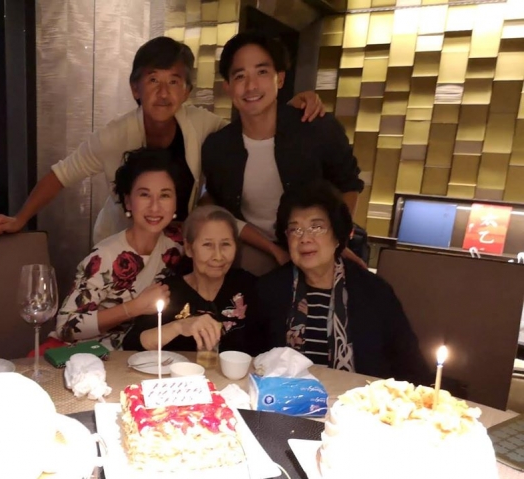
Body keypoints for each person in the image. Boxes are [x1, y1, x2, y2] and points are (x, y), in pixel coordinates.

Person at [0, 36, 325, 253]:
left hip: (178, 245)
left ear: (187, 91)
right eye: (152, 80)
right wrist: (19, 218)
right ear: (135, 89)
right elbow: (60, 176)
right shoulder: (114, 136)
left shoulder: (201, 124)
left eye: (174, 82)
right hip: (122, 243)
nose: (163, 93)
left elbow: (250, 127)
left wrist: (289, 105)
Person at [201, 31, 364, 275]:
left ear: (280, 78)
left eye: (262, 72)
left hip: (319, 244)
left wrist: (336, 241)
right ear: (228, 87)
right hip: (258, 250)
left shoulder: (316, 127)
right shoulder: (218, 147)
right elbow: (219, 206)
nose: (251, 85)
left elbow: (349, 184)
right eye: (240, 76)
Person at [249, 181, 430, 385]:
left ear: (337, 235)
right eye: (295, 230)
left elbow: (411, 368)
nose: (305, 238)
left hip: (358, 400)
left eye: (316, 227)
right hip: (284, 398)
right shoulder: (269, 290)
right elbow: (250, 361)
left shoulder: (375, 292)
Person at [54, 148, 183, 350]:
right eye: (144, 195)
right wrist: (134, 307)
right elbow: (66, 327)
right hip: (95, 356)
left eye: (165, 195)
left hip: (149, 354)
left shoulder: (180, 245)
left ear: (176, 202)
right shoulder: (104, 256)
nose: (155, 207)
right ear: (128, 201)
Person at [122, 205, 257, 354]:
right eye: (207, 245)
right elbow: (132, 343)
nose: (218, 256)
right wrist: (178, 327)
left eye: (225, 244)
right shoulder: (168, 292)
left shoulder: (249, 286)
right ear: (189, 248)